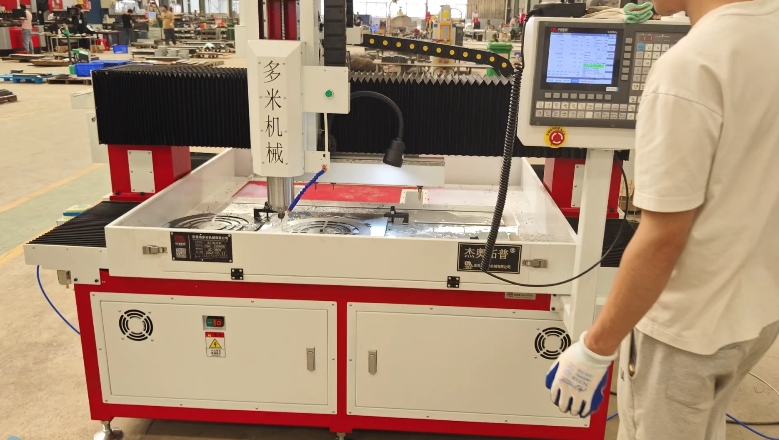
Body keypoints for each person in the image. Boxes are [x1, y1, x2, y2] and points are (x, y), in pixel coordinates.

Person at [545, 0, 779, 439]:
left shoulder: (690, 66)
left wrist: (595, 349)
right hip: (757, 312)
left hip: (685, 332)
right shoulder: (770, 29)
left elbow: (662, 239)